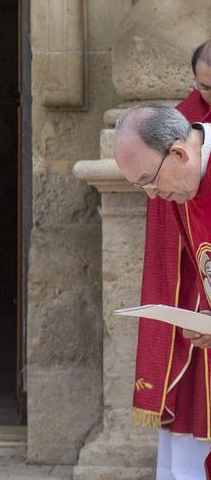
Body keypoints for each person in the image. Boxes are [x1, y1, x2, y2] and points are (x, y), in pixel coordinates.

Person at [115, 102, 211, 479]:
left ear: (178, 152)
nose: (152, 196)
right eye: (141, 187)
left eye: (149, 180)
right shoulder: (185, 188)